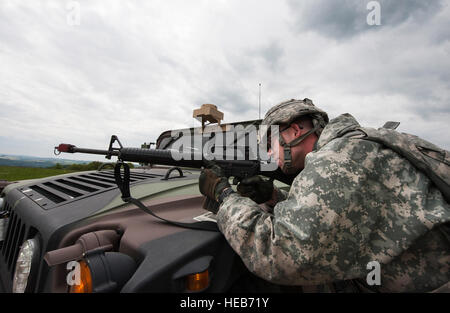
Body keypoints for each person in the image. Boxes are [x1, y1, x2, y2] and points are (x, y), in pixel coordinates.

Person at [198, 98, 450, 292]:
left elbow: (280, 255)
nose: (269, 155)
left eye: (269, 144)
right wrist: (275, 198)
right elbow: (341, 214)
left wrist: (224, 196)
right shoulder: (353, 146)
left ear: (295, 131)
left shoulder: (336, 159)